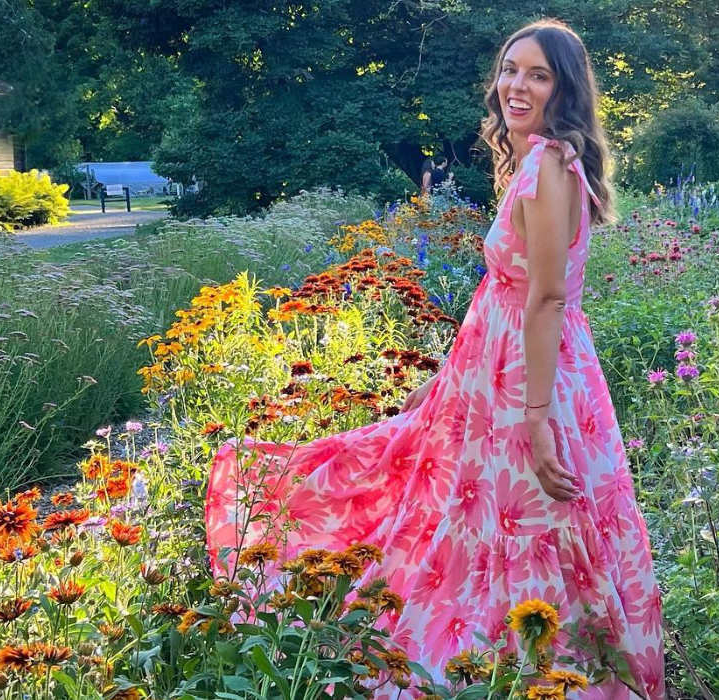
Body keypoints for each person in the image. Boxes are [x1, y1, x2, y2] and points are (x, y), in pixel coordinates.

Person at [206, 18, 664, 700]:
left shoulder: (547, 166)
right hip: (499, 371)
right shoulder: (543, 157)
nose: (517, 84)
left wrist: (536, 419)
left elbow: (544, 297)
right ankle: (533, 662)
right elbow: (499, 290)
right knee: (490, 519)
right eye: (512, 69)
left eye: (538, 74)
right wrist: (445, 377)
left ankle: (539, 670)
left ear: (564, 89)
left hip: (528, 382)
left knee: (527, 527)